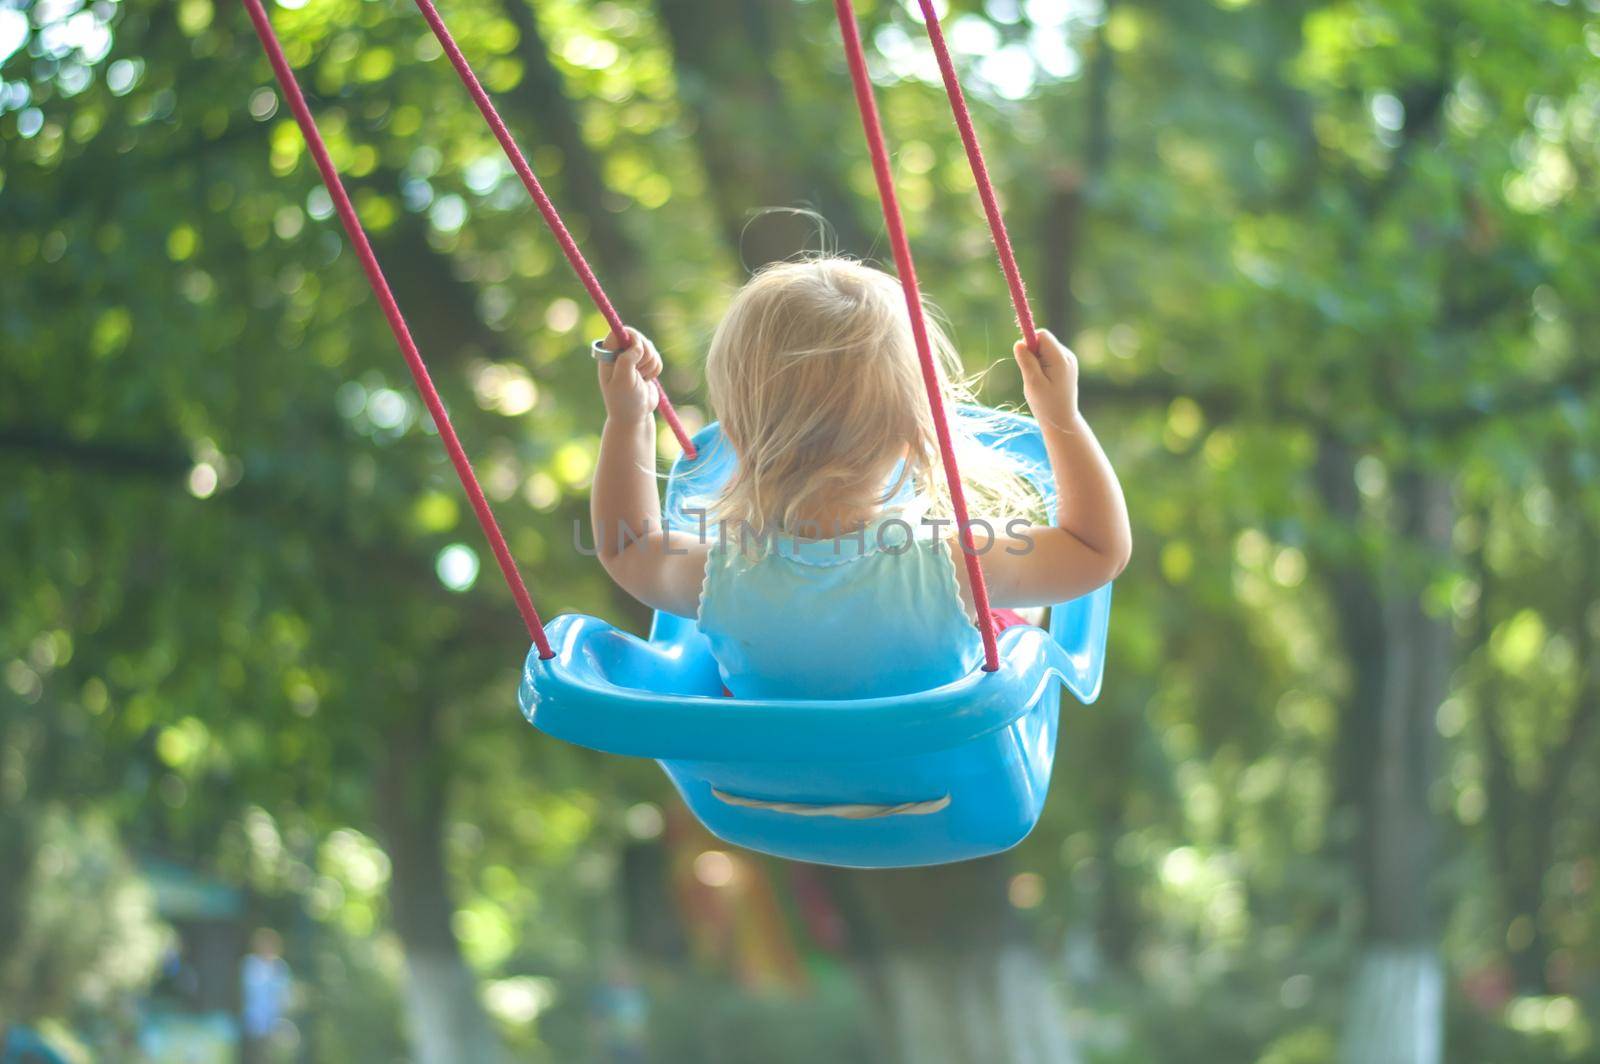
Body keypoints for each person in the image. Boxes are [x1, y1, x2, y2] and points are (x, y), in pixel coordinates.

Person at [590, 257, 1131, 699]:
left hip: (766, 790)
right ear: (912, 432)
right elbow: (1095, 550)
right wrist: (1061, 415)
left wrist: (628, 418)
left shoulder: (716, 574)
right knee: (1014, 614)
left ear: (734, 428)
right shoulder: (956, 567)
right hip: (942, 787)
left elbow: (628, 545)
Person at [238, 929, 291, 1064]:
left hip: (274, 1024)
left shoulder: (280, 968)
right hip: (252, 1021)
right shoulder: (250, 964)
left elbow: (284, 996)